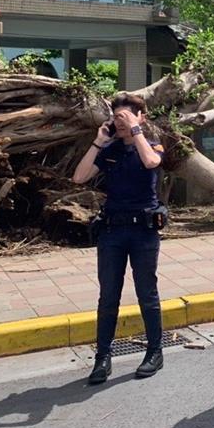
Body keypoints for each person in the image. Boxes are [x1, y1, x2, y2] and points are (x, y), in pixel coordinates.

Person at [72, 93, 166, 385]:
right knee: (108, 295)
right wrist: (99, 139)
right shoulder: (110, 149)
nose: (120, 123)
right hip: (113, 231)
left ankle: (154, 351)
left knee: (146, 293)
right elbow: (80, 177)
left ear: (142, 117)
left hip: (143, 232)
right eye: (117, 118)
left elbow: (151, 162)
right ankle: (103, 357)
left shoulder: (152, 146)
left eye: (126, 117)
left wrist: (135, 130)